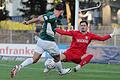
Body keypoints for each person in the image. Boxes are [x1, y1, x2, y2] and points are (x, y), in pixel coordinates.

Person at [10, 3, 71, 78]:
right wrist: (44, 19)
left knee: (34, 59)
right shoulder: (53, 16)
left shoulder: (50, 14)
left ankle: (19, 67)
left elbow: (39, 17)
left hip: (41, 41)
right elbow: (41, 19)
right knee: (58, 58)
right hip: (49, 42)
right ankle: (61, 71)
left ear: (55, 9)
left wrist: (28, 22)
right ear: (61, 11)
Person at [44, 20, 114, 72]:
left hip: (80, 56)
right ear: (80, 26)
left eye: (84, 25)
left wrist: (111, 35)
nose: (83, 27)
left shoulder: (90, 35)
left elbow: (102, 39)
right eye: (81, 25)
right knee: (57, 59)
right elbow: (63, 32)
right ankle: (48, 67)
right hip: (70, 53)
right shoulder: (75, 33)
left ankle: (78, 67)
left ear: (87, 26)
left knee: (90, 55)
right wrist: (55, 28)